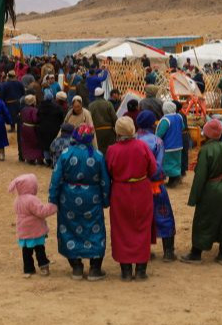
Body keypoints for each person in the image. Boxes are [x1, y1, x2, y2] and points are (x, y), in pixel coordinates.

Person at [49, 124, 110, 281]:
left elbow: (55, 179)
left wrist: (53, 199)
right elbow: (105, 181)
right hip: (93, 197)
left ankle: (76, 267)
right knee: (95, 230)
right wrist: (105, 200)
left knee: (69, 229)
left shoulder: (65, 154)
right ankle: (95, 269)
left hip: (68, 198)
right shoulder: (98, 155)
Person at [180, 119, 222, 265]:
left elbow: (200, 176)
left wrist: (194, 198)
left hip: (213, 188)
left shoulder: (206, 150)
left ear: (206, 134)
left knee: (203, 220)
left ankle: (196, 254)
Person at [107, 116, 157, 281]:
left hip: (120, 192)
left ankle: (126, 271)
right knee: (142, 227)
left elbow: (108, 172)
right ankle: (141, 270)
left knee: (121, 229)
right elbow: (153, 168)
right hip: (142, 190)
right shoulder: (142, 146)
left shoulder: (112, 150)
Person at [135, 110, 177, 262]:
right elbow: (157, 166)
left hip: (136, 186)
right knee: (164, 216)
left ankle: (144, 251)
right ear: (153, 123)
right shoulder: (157, 141)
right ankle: (168, 252)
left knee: (140, 219)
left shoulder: (132, 139)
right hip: (155, 185)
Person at [8, 173, 57, 278]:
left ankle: (28, 269)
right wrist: (53, 207)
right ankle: (43, 266)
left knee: (26, 251)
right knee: (39, 249)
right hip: (35, 230)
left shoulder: (18, 200)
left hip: (23, 231)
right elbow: (41, 212)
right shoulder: (32, 199)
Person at [156, 101, 185, 187]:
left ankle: (172, 181)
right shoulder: (179, 117)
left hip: (168, 146)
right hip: (178, 145)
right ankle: (176, 178)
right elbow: (182, 127)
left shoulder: (166, 120)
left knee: (168, 164)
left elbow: (159, 133)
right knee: (176, 163)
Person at [36, 92, 64, 167]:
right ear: (52, 98)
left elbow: (37, 116)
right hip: (54, 129)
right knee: (53, 144)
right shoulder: (57, 107)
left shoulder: (40, 106)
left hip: (43, 128)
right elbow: (62, 117)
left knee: (45, 145)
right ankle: (53, 160)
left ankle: (47, 160)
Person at [89, 87, 118, 155]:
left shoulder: (91, 105)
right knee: (110, 150)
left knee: (99, 150)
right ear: (103, 94)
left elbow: (89, 120)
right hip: (109, 132)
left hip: (97, 132)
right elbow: (114, 118)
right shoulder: (108, 104)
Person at [19, 95, 44, 165]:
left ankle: (29, 158)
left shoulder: (23, 109)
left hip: (24, 128)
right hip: (32, 129)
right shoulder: (34, 110)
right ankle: (37, 158)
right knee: (35, 144)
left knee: (26, 143)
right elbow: (35, 119)